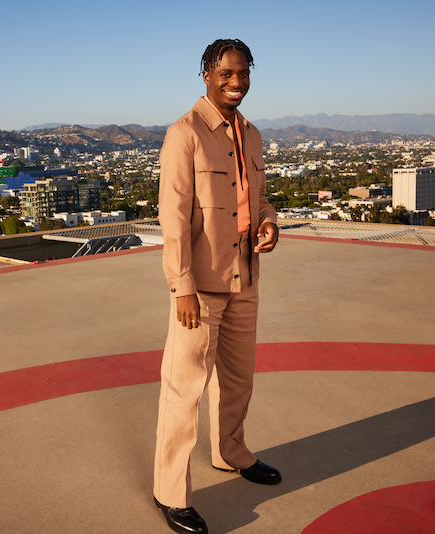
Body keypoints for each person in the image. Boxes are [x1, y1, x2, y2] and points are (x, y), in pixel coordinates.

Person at [153, 38, 280, 534]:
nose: (237, 82)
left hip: (244, 276)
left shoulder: (252, 135)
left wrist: (269, 223)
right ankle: (170, 492)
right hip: (200, 287)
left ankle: (232, 453)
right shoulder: (183, 134)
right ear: (206, 74)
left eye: (244, 73)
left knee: (239, 380)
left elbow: (259, 198)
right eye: (227, 73)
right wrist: (181, 286)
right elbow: (174, 219)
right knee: (183, 391)